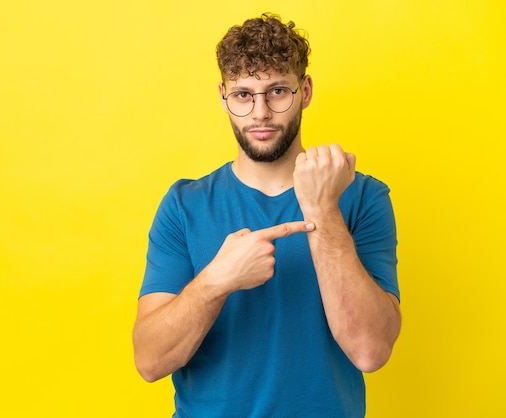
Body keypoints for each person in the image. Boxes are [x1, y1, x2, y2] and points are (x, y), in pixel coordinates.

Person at [133, 13, 401, 418]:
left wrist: (323, 210)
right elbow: (150, 361)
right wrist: (217, 280)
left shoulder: (361, 195)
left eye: (277, 91)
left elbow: (370, 351)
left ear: (305, 90)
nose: (260, 113)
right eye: (243, 95)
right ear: (223, 95)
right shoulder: (184, 205)